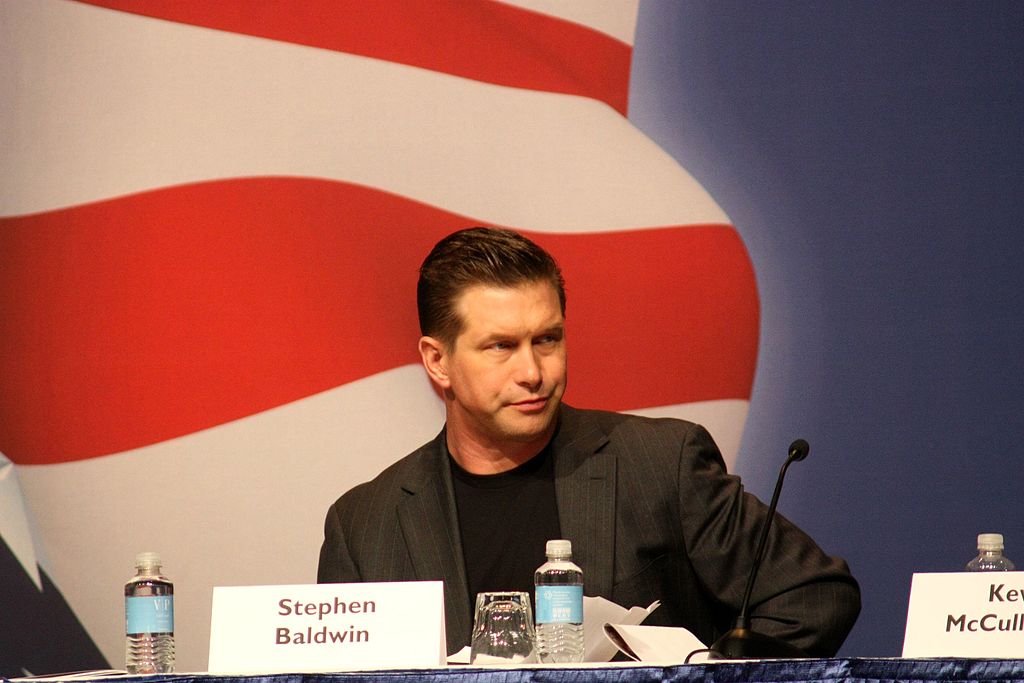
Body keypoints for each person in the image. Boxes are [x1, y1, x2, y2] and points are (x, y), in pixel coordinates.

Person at [318, 226, 860, 657]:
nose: (533, 372)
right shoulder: (365, 526)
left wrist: (701, 678)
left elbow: (814, 597)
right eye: (501, 346)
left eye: (547, 339)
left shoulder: (660, 464)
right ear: (437, 361)